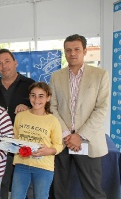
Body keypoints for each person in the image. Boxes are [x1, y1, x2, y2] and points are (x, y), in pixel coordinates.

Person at [49, 34, 110, 199]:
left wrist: (79, 136)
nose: (72, 53)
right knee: (59, 191)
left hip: (88, 141)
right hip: (62, 141)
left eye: (76, 49)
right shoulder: (56, 77)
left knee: (93, 192)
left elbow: (101, 109)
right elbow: (52, 107)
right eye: (68, 50)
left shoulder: (100, 75)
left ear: (85, 51)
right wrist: (67, 135)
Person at [0, 48, 35, 199]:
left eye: (7, 61)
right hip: (0, 143)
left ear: (15, 63)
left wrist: (29, 107)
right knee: (1, 184)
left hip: (23, 142)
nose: (4, 66)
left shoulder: (30, 84)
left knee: (25, 186)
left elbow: (42, 108)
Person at [11, 82, 63, 199]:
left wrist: (47, 151)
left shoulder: (53, 120)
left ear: (48, 98)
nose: (36, 99)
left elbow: (59, 145)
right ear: (29, 96)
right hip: (21, 165)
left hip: (43, 167)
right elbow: (15, 139)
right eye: (33, 95)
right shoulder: (20, 116)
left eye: (41, 96)